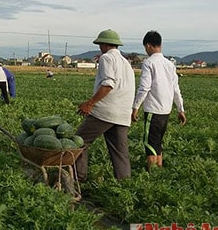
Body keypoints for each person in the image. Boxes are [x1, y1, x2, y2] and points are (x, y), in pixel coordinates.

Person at [75, 29, 135, 182]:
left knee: (78, 141)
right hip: (123, 114)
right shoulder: (126, 62)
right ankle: (125, 184)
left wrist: (90, 103)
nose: (99, 47)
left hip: (106, 112)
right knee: (120, 152)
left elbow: (108, 84)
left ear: (104, 44)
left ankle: (78, 178)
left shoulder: (106, 58)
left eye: (100, 44)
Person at [131, 30, 186, 170]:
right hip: (165, 110)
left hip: (152, 110)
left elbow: (144, 87)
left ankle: (151, 173)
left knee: (150, 143)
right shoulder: (169, 64)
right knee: (158, 142)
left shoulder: (148, 63)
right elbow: (176, 89)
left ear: (148, 45)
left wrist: (135, 107)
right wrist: (180, 109)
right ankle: (159, 171)